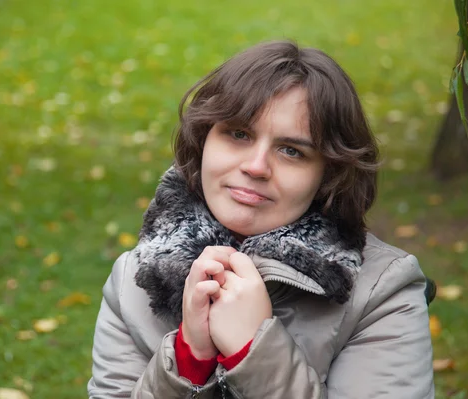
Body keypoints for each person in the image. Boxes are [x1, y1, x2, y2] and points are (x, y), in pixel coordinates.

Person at [88, 40, 434, 398]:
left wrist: (253, 352)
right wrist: (189, 359)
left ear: (328, 175)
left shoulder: (381, 292)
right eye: (239, 134)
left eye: (291, 151)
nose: (255, 167)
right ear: (204, 139)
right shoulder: (135, 280)